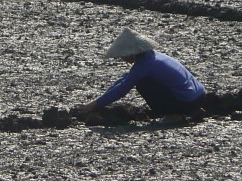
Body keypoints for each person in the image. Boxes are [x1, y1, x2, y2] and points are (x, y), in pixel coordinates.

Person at [76, 28, 205, 119]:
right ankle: (192, 111)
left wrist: (96, 105)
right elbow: (124, 78)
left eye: (123, 55)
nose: (122, 59)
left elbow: (123, 88)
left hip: (187, 102)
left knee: (143, 84)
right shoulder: (152, 57)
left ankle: (173, 114)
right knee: (138, 79)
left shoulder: (144, 66)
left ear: (132, 52)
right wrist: (98, 100)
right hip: (199, 97)